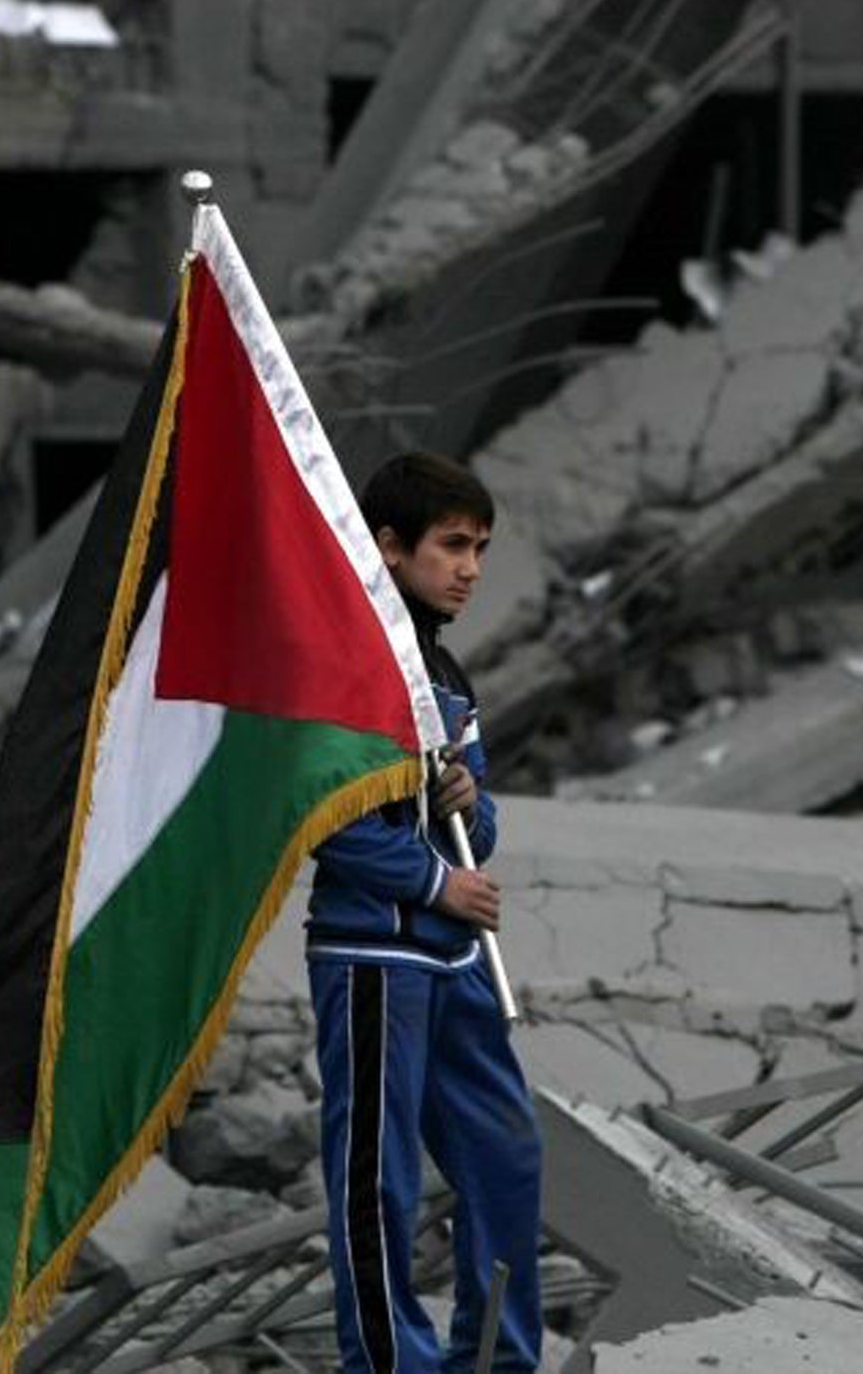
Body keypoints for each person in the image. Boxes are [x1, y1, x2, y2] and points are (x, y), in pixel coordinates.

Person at [306, 452, 543, 1374]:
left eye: (480, 547)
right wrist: (433, 881)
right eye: (451, 545)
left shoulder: (444, 673)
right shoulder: (341, 662)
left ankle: (497, 1359)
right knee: (379, 1183)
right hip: (372, 959)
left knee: (507, 1159)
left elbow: (479, 816)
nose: (471, 568)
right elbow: (321, 819)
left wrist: (461, 793)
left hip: (457, 963)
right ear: (389, 547)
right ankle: (389, 1363)